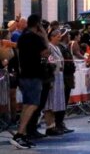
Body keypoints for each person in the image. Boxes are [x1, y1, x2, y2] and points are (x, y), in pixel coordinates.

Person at [12, 14, 49, 149]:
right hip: (34, 74)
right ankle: (20, 133)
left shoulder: (22, 37)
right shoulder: (36, 38)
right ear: (38, 24)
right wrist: (45, 36)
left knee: (27, 104)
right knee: (33, 104)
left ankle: (22, 133)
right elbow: (46, 53)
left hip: (24, 74)